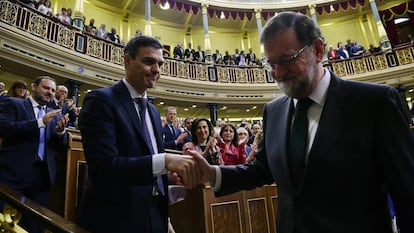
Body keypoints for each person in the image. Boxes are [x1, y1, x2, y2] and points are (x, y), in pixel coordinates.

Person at [190, 12, 414, 233]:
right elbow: (262, 169)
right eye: (271, 64)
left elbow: (407, 190)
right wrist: (213, 174)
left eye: (287, 60)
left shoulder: (374, 103)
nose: (277, 73)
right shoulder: (273, 111)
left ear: (317, 50)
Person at [77, 36, 200, 233]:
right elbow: (103, 167)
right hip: (115, 218)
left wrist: (163, 215)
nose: (157, 70)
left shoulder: (152, 110)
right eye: (149, 61)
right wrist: (166, 160)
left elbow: (149, 165)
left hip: (154, 215)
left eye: (160, 64)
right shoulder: (100, 101)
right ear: (127, 61)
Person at [0, 76, 69, 233]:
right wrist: (39, 123)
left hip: (42, 177)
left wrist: (60, 132)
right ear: (33, 87)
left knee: (34, 225)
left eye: (53, 90)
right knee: (4, 221)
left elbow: (61, 145)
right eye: (46, 88)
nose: (50, 92)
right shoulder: (14, 103)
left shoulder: (55, 114)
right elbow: (4, 128)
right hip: (13, 173)